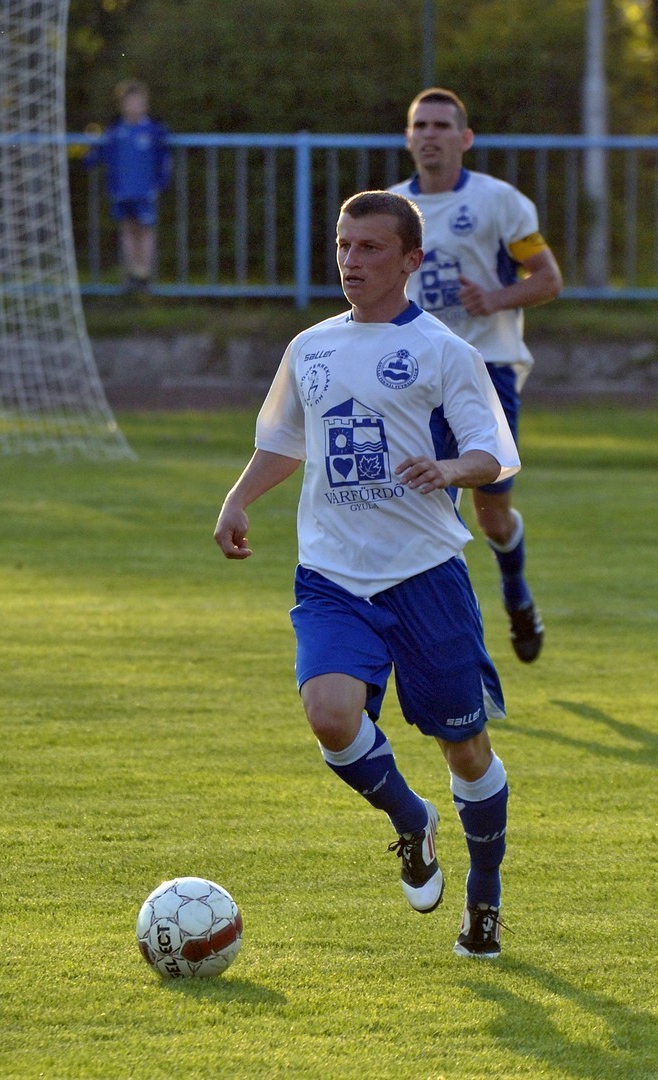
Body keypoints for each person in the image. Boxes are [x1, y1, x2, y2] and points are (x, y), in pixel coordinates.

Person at [214, 190, 521, 958]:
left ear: (410, 260)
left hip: (425, 576)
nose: (351, 261)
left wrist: (449, 467)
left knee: (466, 750)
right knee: (329, 715)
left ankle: (485, 896)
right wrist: (239, 498)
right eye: (344, 245)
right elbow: (283, 441)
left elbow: (493, 453)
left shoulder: (444, 351)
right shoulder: (310, 347)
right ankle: (413, 820)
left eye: (370, 248)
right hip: (332, 575)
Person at [391, 88, 563, 663]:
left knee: (492, 516)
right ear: (408, 137)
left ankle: (516, 593)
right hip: (416, 375)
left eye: (442, 125)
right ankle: (448, 646)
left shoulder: (498, 201)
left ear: (464, 138)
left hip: (488, 369)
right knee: (426, 506)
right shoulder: (392, 208)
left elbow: (547, 278)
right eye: (421, 125)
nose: (430, 135)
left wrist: (493, 299)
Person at [84, 79, 172, 292]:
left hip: (145, 191)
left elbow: (164, 158)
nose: (134, 107)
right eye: (130, 102)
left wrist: (161, 182)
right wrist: (88, 158)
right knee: (128, 229)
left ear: (146, 104)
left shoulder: (154, 130)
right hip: (122, 191)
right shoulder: (115, 131)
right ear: (122, 105)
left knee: (146, 230)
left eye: (138, 102)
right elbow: (101, 153)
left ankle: (144, 272)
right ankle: (132, 272)